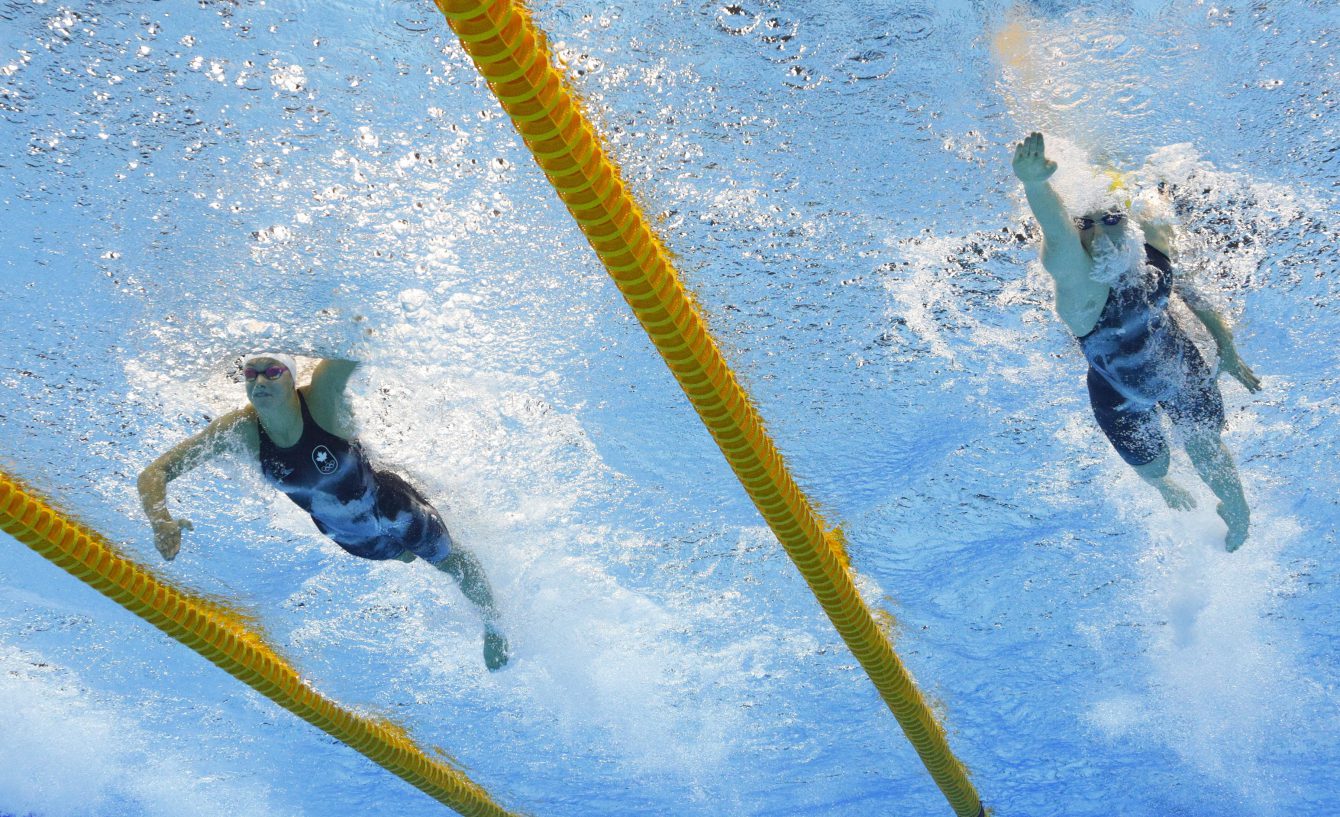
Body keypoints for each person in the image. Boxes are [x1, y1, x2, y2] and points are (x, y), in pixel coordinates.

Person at [138, 352, 510, 669]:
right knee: (406, 559)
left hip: (394, 509)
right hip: (353, 540)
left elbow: (354, 343)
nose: (260, 380)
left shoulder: (321, 401)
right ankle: (406, 555)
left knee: (449, 561)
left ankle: (493, 626)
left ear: (292, 379)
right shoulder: (242, 430)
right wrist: (160, 519)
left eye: (273, 371)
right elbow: (155, 472)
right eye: (251, 374)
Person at [1011, 132, 1262, 551]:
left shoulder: (1148, 249)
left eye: (1110, 219)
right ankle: (1162, 486)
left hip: (1178, 365)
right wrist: (1035, 184)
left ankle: (1239, 509)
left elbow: (1191, 289)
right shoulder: (1081, 290)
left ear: (1126, 224)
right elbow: (1057, 235)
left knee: (1206, 443)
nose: (1100, 232)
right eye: (1084, 225)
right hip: (1118, 394)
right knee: (1156, 466)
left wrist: (1227, 348)